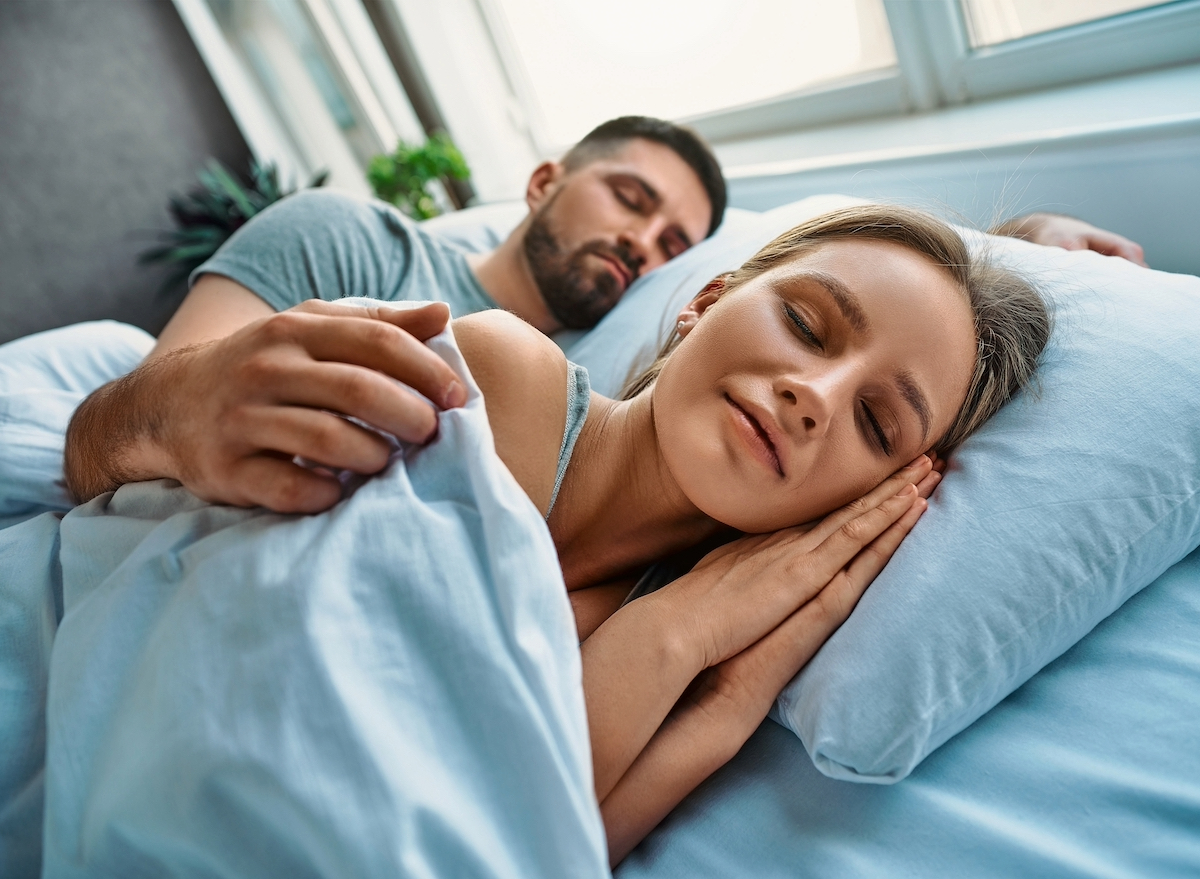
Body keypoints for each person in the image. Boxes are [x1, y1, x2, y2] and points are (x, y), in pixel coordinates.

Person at [418, 203, 1049, 862]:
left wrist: (722, 681)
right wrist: (666, 640)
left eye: (875, 421)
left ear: (866, 498)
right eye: (805, 325)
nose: (818, 396)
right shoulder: (501, 379)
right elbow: (464, 795)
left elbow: (531, 855)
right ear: (706, 301)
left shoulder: (693, 633)